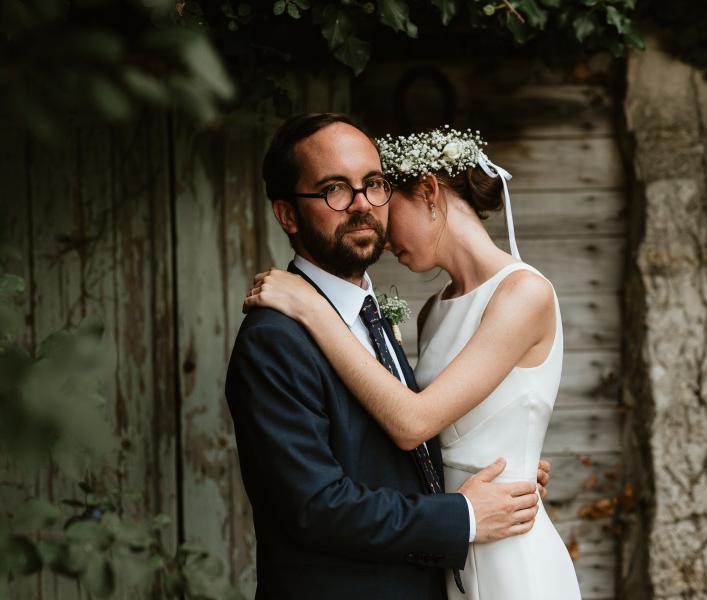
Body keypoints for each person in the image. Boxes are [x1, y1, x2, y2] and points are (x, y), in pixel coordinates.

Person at [244, 124, 581, 599]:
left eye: (376, 186)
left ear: (426, 191)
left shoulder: (522, 293)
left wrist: (513, 464)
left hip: (503, 554)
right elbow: (328, 493)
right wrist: (468, 487)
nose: (367, 211)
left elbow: (412, 424)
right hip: (453, 552)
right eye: (334, 189)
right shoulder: (424, 312)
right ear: (287, 214)